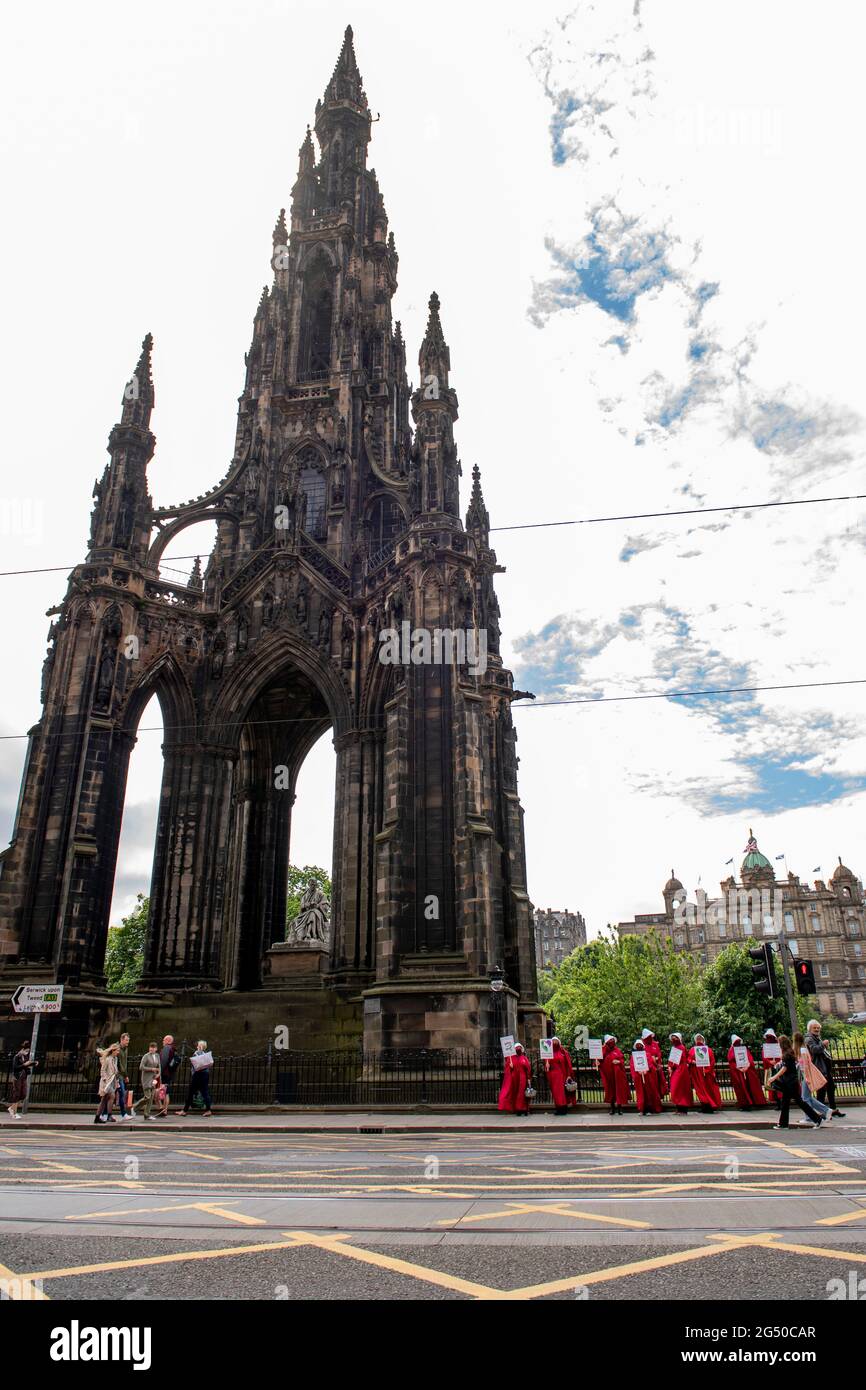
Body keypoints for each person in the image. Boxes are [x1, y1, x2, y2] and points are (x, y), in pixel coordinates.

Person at [768, 1035, 824, 1129]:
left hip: (789, 1083)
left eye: (779, 1043)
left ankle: (817, 1119)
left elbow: (785, 1068)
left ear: (782, 1044)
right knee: (786, 1103)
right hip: (790, 1082)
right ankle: (783, 1124)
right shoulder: (790, 1052)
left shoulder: (787, 1054)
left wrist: (774, 1077)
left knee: (799, 1102)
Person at [805, 1020, 846, 1118]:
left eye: (818, 1028)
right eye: (814, 1028)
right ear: (809, 1029)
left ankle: (833, 1110)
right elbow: (814, 1050)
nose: (817, 1030)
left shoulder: (816, 1038)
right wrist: (823, 1044)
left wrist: (822, 1045)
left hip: (825, 1068)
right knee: (821, 1091)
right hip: (819, 1068)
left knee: (831, 1088)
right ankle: (822, 1112)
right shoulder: (809, 1039)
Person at [793, 1031, 832, 1124]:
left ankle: (809, 1118)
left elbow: (806, 1064)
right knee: (807, 1097)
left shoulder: (802, 1050)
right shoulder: (804, 1048)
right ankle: (826, 1110)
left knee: (805, 1098)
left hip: (806, 1075)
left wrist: (806, 1077)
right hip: (806, 1075)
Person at [727, 1034, 767, 1110]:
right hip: (738, 1072)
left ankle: (755, 1102)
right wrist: (739, 1068)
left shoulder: (744, 1049)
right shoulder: (731, 1050)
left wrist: (747, 1066)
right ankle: (744, 1104)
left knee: (751, 1086)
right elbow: (731, 1062)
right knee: (741, 1088)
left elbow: (750, 1059)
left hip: (747, 1071)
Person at [177, 1041, 215, 1117]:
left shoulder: (197, 1053)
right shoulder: (205, 1054)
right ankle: (208, 1110)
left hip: (198, 1075)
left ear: (200, 1046)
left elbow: (195, 1065)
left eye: (198, 1045)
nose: (197, 1046)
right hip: (205, 1074)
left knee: (191, 1093)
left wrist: (198, 1051)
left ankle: (184, 1111)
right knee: (205, 1092)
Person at [688, 1034, 722, 1112]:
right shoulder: (692, 1049)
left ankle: (711, 1106)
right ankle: (704, 1106)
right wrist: (692, 1061)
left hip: (706, 1074)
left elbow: (712, 1061)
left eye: (700, 1038)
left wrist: (707, 1070)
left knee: (708, 1090)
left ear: (703, 1040)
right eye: (697, 1038)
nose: (699, 1040)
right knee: (700, 1091)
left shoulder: (708, 1050)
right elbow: (688, 1058)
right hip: (697, 1074)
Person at [497, 1044, 533, 1116]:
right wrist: (510, 1067)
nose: (518, 1049)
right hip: (514, 1078)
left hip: (523, 1078)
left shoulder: (524, 1058)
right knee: (516, 1093)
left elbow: (528, 1069)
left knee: (522, 1094)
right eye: (516, 1048)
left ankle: (524, 1109)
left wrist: (528, 1078)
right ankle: (517, 1109)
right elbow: (507, 1069)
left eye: (519, 1048)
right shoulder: (511, 1058)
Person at [630, 1038, 662, 1115]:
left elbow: (650, 1063)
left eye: (640, 1045)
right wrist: (638, 1071)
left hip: (647, 1077)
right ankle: (641, 1109)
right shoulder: (633, 1056)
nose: (639, 1046)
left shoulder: (647, 1055)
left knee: (649, 1093)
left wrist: (646, 1070)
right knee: (640, 1093)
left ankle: (649, 1109)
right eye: (637, 1045)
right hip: (639, 1077)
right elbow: (632, 1065)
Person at [545, 1037, 578, 1114]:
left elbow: (568, 1064)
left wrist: (569, 1075)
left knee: (562, 1093)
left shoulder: (563, 1052)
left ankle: (563, 1108)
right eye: (553, 1041)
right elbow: (547, 1067)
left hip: (562, 1075)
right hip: (553, 1075)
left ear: (559, 1042)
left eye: (556, 1041)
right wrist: (547, 1065)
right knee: (556, 1093)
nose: (554, 1043)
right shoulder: (548, 1053)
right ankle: (558, 1108)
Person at [599, 1034, 629, 1115]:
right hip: (608, 1074)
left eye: (613, 1040)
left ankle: (619, 1108)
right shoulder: (602, 1050)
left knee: (618, 1090)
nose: (612, 1042)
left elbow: (622, 1060)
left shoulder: (617, 1050)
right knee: (610, 1091)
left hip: (617, 1075)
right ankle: (612, 1108)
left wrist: (619, 1062)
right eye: (610, 1040)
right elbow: (598, 1060)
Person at [7, 1041, 38, 1119]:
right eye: (26, 1051)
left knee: (23, 1094)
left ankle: (11, 1108)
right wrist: (25, 1064)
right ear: (22, 1050)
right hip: (17, 1078)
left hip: (23, 1077)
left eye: (28, 1051)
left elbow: (27, 1065)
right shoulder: (17, 1057)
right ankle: (14, 1112)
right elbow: (15, 1067)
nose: (27, 1053)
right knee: (17, 1094)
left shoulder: (25, 1057)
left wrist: (34, 1063)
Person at [667, 1032, 694, 1113]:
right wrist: (670, 1067)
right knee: (676, 1089)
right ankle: (679, 1107)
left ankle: (683, 1108)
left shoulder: (681, 1047)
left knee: (680, 1089)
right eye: (673, 1038)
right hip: (677, 1070)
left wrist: (672, 1066)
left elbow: (678, 1060)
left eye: (675, 1037)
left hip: (681, 1070)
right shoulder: (675, 1047)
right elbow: (672, 1060)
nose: (673, 1039)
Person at [95, 1043, 120, 1123]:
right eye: (117, 1050)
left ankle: (97, 1117)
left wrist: (116, 1080)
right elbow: (103, 1070)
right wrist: (105, 1080)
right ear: (113, 1050)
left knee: (104, 1100)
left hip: (112, 1081)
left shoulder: (115, 1059)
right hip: (106, 1082)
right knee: (112, 1096)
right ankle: (109, 1115)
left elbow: (114, 1070)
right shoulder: (108, 1059)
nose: (118, 1052)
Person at [136, 1042, 161, 1120]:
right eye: (151, 1047)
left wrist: (158, 1074)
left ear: (156, 1049)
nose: (152, 1049)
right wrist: (151, 1069)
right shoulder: (146, 1056)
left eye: (153, 1048)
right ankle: (134, 1107)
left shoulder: (157, 1056)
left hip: (153, 1079)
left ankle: (146, 1114)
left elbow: (159, 1066)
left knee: (151, 1097)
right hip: (146, 1079)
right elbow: (141, 1067)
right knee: (147, 1096)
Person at [642, 1028, 669, 1098]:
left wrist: (657, 1058)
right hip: (648, 1070)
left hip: (657, 1067)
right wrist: (651, 1059)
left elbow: (659, 1053)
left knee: (659, 1085)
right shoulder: (642, 1045)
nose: (650, 1038)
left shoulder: (655, 1044)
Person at [158, 1034, 179, 1115]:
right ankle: (164, 1109)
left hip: (164, 1073)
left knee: (162, 1091)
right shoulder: (173, 1049)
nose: (163, 1041)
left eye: (164, 1040)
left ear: (168, 1041)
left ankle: (163, 1109)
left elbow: (164, 1061)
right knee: (166, 1092)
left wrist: (160, 1072)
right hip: (170, 1073)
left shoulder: (167, 1048)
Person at [762, 1029, 783, 1109]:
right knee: (772, 1086)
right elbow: (764, 1056)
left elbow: (780, 1055)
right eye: (768, 1037)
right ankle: (778, 1103)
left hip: (777, 1068)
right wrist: (769, 1062)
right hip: (770, 1068)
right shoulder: (766, 1046)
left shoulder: (778, 1045)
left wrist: (776, 1062)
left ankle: (780, 1103)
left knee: (778, 1085)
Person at [114, 1032, 131, 1121]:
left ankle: (105, 1114)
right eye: (126, 1040)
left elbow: (124, 1063)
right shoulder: (117, 1048)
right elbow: (119, 1064)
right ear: (121, 1039)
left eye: (128, 1040)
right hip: (117, 1075)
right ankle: (123, 1114)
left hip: (122, 1075)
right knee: (121, 1094)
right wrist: (123, 1075)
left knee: (114, 1095)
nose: (128, 1042)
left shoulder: (125, 1049)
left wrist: (126, 1075)